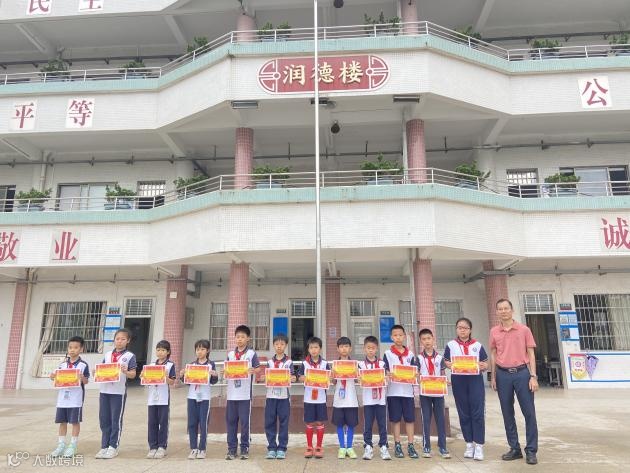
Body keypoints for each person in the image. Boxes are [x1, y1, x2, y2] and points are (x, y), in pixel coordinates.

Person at [490, 298, 539, 465]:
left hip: (522, 374)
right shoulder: (494, 331)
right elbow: (493, 354)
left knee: (529, 412)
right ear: (497, 312)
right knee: (507, 412)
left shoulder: (524, 330)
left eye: (506, 308)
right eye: (500, 309)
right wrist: (493, 376)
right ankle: (514, 448)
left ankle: (531, 450)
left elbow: (531, 353)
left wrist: (533, 376)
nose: (503, 311)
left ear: (512, 310)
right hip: (502, 375)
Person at [444, 317, 488, 461]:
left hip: (475, 380)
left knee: (477, 412)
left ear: (470, 330)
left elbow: (485, 363)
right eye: (459, 328)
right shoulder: (451, 345)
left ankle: (479, 445)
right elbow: (446, 361)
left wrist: (484, 366)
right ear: (456, 329)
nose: (462, 330)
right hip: (459, 381)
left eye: (465, 328)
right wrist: (448, 364)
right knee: (463, 412)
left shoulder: (477, 345)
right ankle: (469, 444)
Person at [95, 328, 137, 459]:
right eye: (117, 339)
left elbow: (133, 374)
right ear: (114, 340)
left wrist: (125, 371)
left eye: (123, 339)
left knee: (115, 420)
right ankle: (104, 446)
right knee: (104, 419)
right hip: (104, 391)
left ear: (128, 341)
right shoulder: (108, 354)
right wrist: (96, 372)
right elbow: (102, 369)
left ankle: (113, 446)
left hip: (118, 393)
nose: (119, 341)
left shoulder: (129, 356)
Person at [49, 336, 90, 458]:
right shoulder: (62, 365)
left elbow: (86, 381)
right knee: (62, 422)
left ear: (81, 349)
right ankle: (61, 445)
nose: (72, 350)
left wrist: (82, 377)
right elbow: (55, 378)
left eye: (76, 347)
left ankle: (73, 445)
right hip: (62, 399)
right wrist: (52, 376)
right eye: (70, 347)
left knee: (75, 422)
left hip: (75, 399)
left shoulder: (83, 365)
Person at [225, 325, 261, 460]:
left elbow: (258, 368)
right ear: (235, 338)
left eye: (242, 337)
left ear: (248, 339)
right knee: (231, 422)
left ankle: (244, 447)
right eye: (237, 337)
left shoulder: (251, 354)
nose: (239, 339)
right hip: (231, 394)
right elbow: (227, 369)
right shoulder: (230, 354)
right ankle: (231, 449)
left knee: (245, 423)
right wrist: (225, 371)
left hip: (245, 395)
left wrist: (253, 370)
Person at [383, 324, 419, 459]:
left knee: (410, 419)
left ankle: (410, 445)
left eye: (400, 335)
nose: (398, 337)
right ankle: (397, 444)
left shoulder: (410, 354)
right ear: (391, 337)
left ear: (404, 336)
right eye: (395, 335)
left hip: (408, 392)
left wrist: (415, 374)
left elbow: (415, 371)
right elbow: (385, 370)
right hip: (393, 392)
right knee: (395, 419)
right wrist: (388, 374)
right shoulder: (387, 354)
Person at [180, 339, 218, 460]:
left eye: (202, 349)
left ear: (208, 351)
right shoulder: (192, 365)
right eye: (197, 349)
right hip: (192, 397)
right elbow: (187, 382)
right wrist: (182, 375)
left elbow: (213, 381)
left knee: (203, 423)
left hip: (204, 398)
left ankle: (202, 449)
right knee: (192, 423)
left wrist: (214, 375)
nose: (200, 351)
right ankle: (193, 448)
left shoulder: (210, 365)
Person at [417, 328, 450, 459]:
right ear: (421, 341)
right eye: (424, 339)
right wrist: (418, 378)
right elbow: (417, 374)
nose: (427, 341)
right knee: (426, 419)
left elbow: (442, 373)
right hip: (425, 393)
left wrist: (445, 381)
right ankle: (426, 446)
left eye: (429, 338)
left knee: (440, 419)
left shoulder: (440, 358)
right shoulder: (418, 358)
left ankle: (443, 446)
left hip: (438, 394)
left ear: (433, 339)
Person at [142, 340, 176, 459]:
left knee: (163, 422)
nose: (160, 352)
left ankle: (162, 447)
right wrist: (143, 376)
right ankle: (153, 447)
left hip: (163, 398)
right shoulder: (151, 365)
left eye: (163, 350)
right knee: (152, 422)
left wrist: (165, 377)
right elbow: (146, 381)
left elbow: (172, 382)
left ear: (168, 352)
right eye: (158, 350)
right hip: (152, 398)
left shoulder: (170, 365)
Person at [358, 335, 391, 461]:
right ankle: (368, 446)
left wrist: (387, 377)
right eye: (368, 348)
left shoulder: (382, 363)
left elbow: (387, 376)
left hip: (381, 400)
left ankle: (383, 446)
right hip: (368, 400)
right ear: (364, 349)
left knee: (382, 424)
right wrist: (359, 379)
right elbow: (358, 379)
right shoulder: (361, 365)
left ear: (376, 349)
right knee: (368, 424)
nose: (370, 350)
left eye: (373, 348)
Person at [296, 336, 329, 459]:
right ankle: (309, 447)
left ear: (320, 349)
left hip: (321, 398)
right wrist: (304, 378)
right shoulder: (304, 364)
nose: (314, 350)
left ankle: (319, 446)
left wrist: (329, 378)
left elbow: (329, 378)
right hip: (308, 398)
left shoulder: (325, 364)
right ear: (308, 349)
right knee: (309, 422)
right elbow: (299, 377)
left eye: (316, 347)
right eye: (311, 347)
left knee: (320, 422)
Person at [264, 333, 292, 460]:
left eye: (282, 344)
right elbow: (265, 377)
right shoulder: (269, 362)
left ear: (286, 345)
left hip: (284, 397)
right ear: (273, 345)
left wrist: (292, 377)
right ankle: (271, 447)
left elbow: (292, 376)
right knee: (269, 422)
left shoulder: (289, 362)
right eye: (276, 344)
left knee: (284, 423)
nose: (279, 346)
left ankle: (281, 448)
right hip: (270, 397)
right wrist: (264, 378)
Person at [332, 337, 359, 460]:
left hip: (351, 399)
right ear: (338, 349)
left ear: (350, 348)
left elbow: (358, 380)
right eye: (341, 347)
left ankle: (350, 447)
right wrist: (332, 375)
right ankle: (342, 447)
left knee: (351, 424)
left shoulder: (354, 364)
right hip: (339, 399)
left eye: (346, 346)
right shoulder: (334, 364)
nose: (344, 349)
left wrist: (358, 374)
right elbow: (333, 382)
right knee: (339, 424)